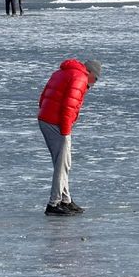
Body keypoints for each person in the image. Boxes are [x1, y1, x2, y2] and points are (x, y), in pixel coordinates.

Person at [38, 59, 102, 216]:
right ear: (91, 73)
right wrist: (66, 132)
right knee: (62, 164)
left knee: (63, 162)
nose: (94, 84)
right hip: (56, 124)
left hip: (46, 120)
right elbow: (69, 106)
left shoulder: (62, 72)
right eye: (96, 79)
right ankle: (54, 204)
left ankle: (65, 200)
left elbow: (42, 97)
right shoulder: (80, 78)